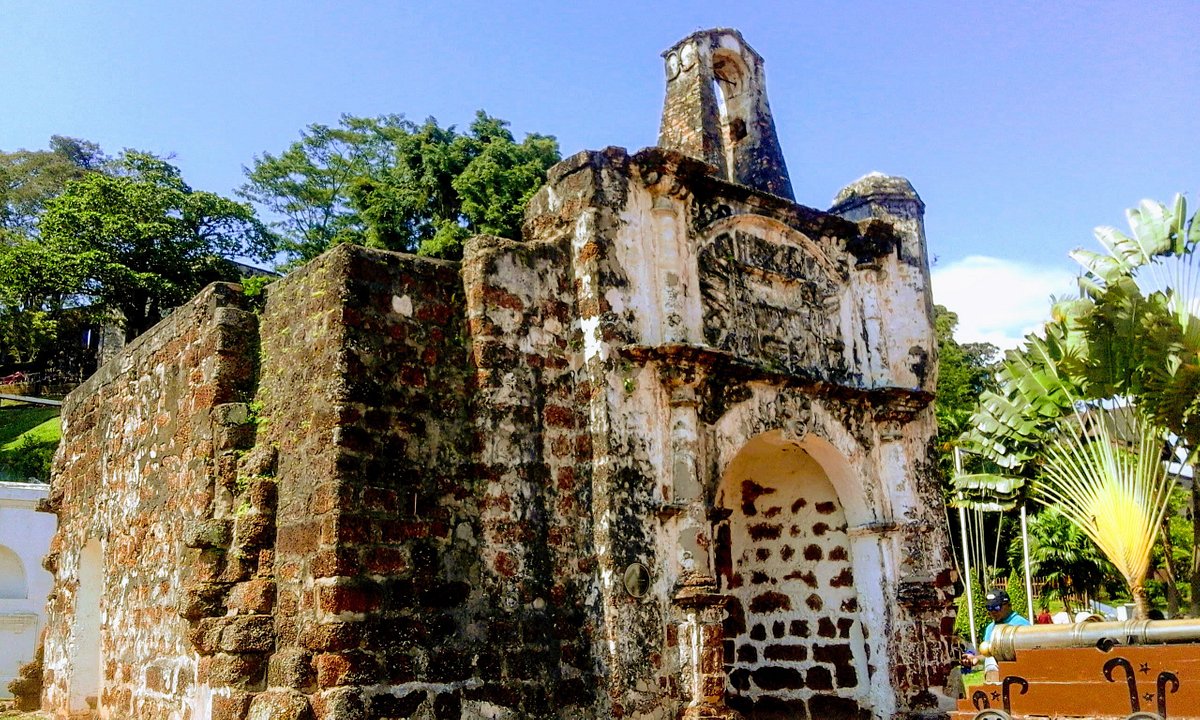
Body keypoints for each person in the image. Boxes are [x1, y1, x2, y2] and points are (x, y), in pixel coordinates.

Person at [963, 589, 1031, 681]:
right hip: (996, 680)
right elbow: (990, 655)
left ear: (1008, 605)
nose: (993, 612)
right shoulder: (990, 628)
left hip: (1020, 678)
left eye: (997, 607)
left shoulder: (1021, 626)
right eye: (989, 608)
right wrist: (976, 659)